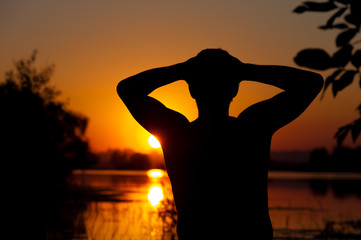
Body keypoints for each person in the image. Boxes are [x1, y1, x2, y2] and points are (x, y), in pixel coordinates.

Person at [117, 49, 323, 239]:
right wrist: (245, 70)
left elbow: (127, 89)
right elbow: (311, 82)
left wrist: (182, 70)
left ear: (192, 90)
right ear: (234, 90)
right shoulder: (252, 127)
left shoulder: (177, 133)